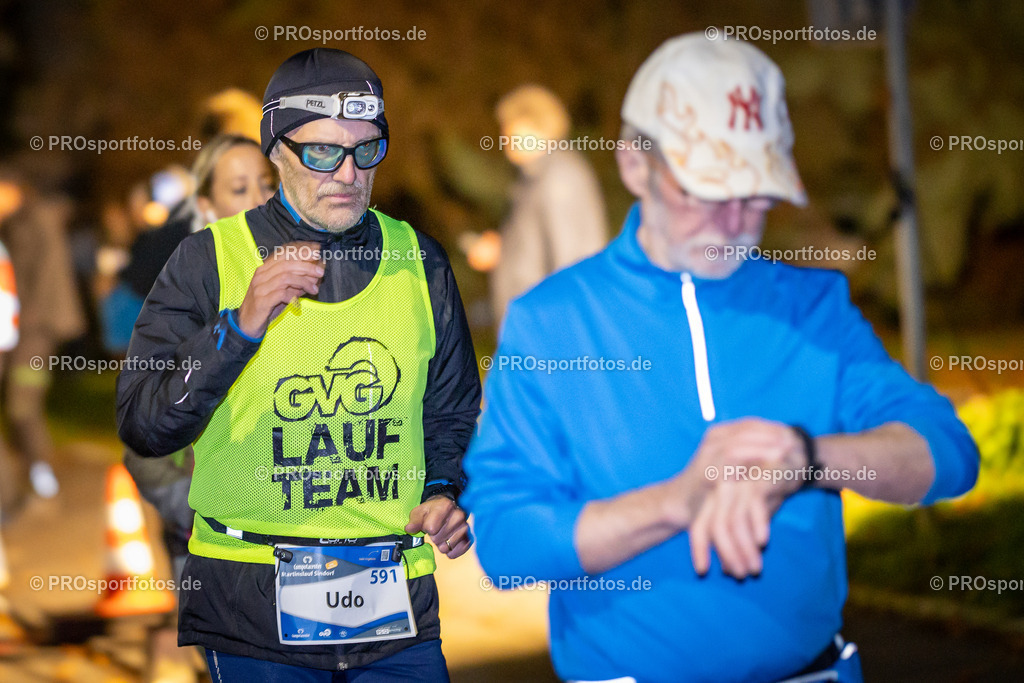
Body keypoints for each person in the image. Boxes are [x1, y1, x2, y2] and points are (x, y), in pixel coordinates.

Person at [462, 33, 979, 683]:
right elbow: (506, 542)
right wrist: (676, 502)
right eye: (706, 193)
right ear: (633, 165)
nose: (734, 222)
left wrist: (808, 459)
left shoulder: (810, 305)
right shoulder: (552, 322)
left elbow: (950, 453)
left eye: (756, 196)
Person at [116, 48, 481, 681]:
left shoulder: (419, 260)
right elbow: (146, 424)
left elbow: (448, 410)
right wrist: (240, 325)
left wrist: (444, 489)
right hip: (252, 607)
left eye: (367, 149)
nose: (347, 172)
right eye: (322, 151)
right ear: (276, 149)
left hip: (395, 611)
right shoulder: (207, 262)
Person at [122, 133, 277, 584]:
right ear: (206, 206)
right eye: (238, 188)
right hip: (212, 533)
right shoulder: (186, 291)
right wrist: (195, 508)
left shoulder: (307, 272)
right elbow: (142, 431)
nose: (258, 199)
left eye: (266, 184)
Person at [466, 84, 607, 324]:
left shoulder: (559, 177)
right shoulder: (536, 178)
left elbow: (573, 265)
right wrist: (504, 251)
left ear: (537, 124)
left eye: (511, 124)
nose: (504, 133)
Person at [0, 168, 85, 501]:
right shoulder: (19, 223)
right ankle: (35, 473)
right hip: (29, 328)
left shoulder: (35, 219)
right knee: (20, 406)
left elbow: (45, 276)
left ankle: (41, 474)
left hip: (38, 328)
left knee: (23, 404)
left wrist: (26, 321)